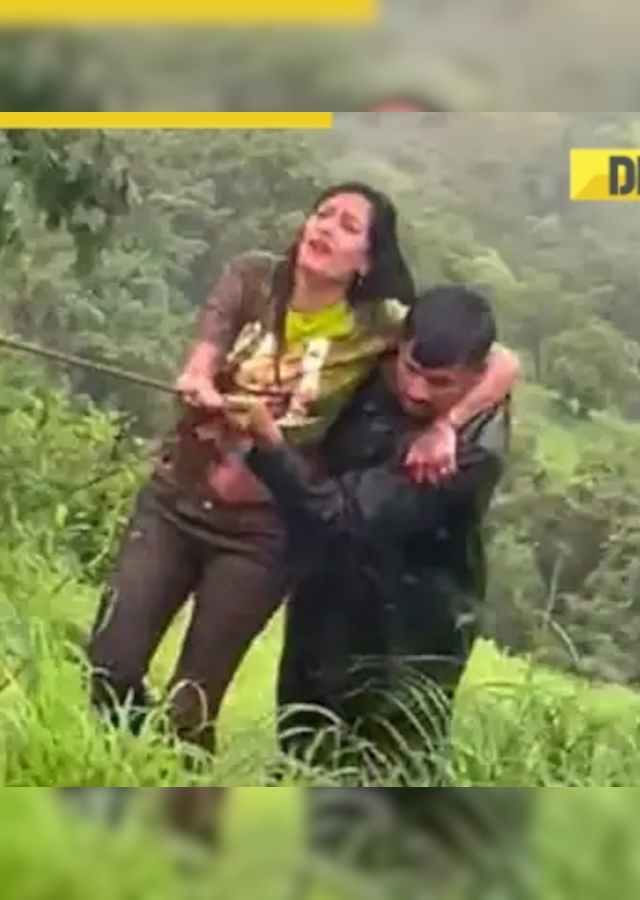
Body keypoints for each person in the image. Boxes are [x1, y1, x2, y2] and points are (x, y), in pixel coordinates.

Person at [81, 183, 522, 845]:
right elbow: (208, 344)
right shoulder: (284, 292)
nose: (414, 388)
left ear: (369, 260)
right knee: (122, 669)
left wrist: (445, 424)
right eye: (323, 215)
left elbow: (501, 363)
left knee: (218, 714)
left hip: (334, 575)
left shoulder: (406, 368)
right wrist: (202, 383)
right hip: (246, 542)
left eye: (348, 227)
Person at [227, 284, 531, 889]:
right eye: (413, 369)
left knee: (389, 788)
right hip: (326, 604)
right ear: (400, 350)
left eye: (440, 384)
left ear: (471, 378)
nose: (418, 391)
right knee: (301, 754)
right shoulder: (380, 368)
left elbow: (336, 517)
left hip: (414, 631)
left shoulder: (469, 454)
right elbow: (506, 361)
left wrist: (266, 442)